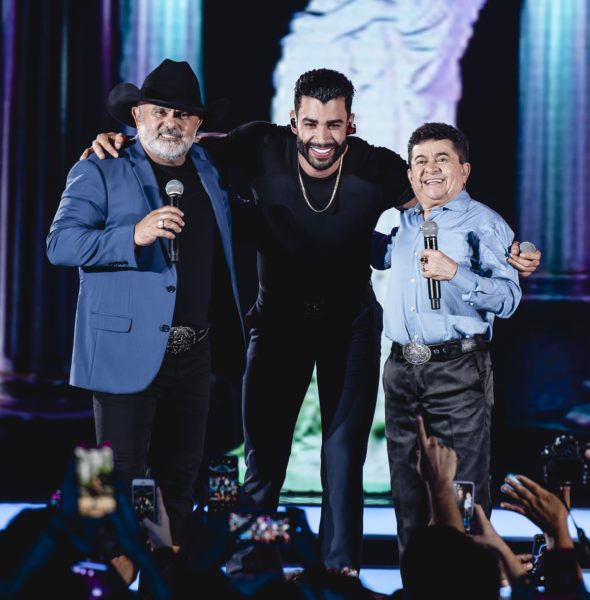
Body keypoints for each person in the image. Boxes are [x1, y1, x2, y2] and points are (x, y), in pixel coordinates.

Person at [85, 68, 542, 574]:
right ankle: (252, 567)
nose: (321, 137)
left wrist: (505, 249)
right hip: (277, 326)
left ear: (351, 124)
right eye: (310, 124)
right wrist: (120, 143)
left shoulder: (376, 166)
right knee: (263, 461)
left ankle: (338, 572)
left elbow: (441, 203)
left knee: (342, 461)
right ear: (292, 121)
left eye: (334, 124)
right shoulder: (258, 145)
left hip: (351, 328)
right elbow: (179, 144)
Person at [46, 58, 245, 547]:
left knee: (180, 481)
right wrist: (132, 235)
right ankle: (103, 571)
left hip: (193, 354)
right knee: (109, 484)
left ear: (198, 125)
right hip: (121, 352)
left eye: (183, 114)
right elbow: (60, 245)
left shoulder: (208, 166)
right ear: (136, 115)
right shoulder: (99, 166)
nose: (170, 123)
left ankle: (167, 574)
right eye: (159, 111)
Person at [381, 122, 521, 563]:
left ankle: (466, 583)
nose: (430, 169)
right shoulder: (402, 223)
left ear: (464, 170)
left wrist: (455, 272)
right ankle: (415, 585)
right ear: (409, 174)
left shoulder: (484, 223)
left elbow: (509, 298)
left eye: (442, 159)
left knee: (464, 494)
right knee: (408, 494)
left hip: (457, 371)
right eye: (420, 161)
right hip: (401, 371)